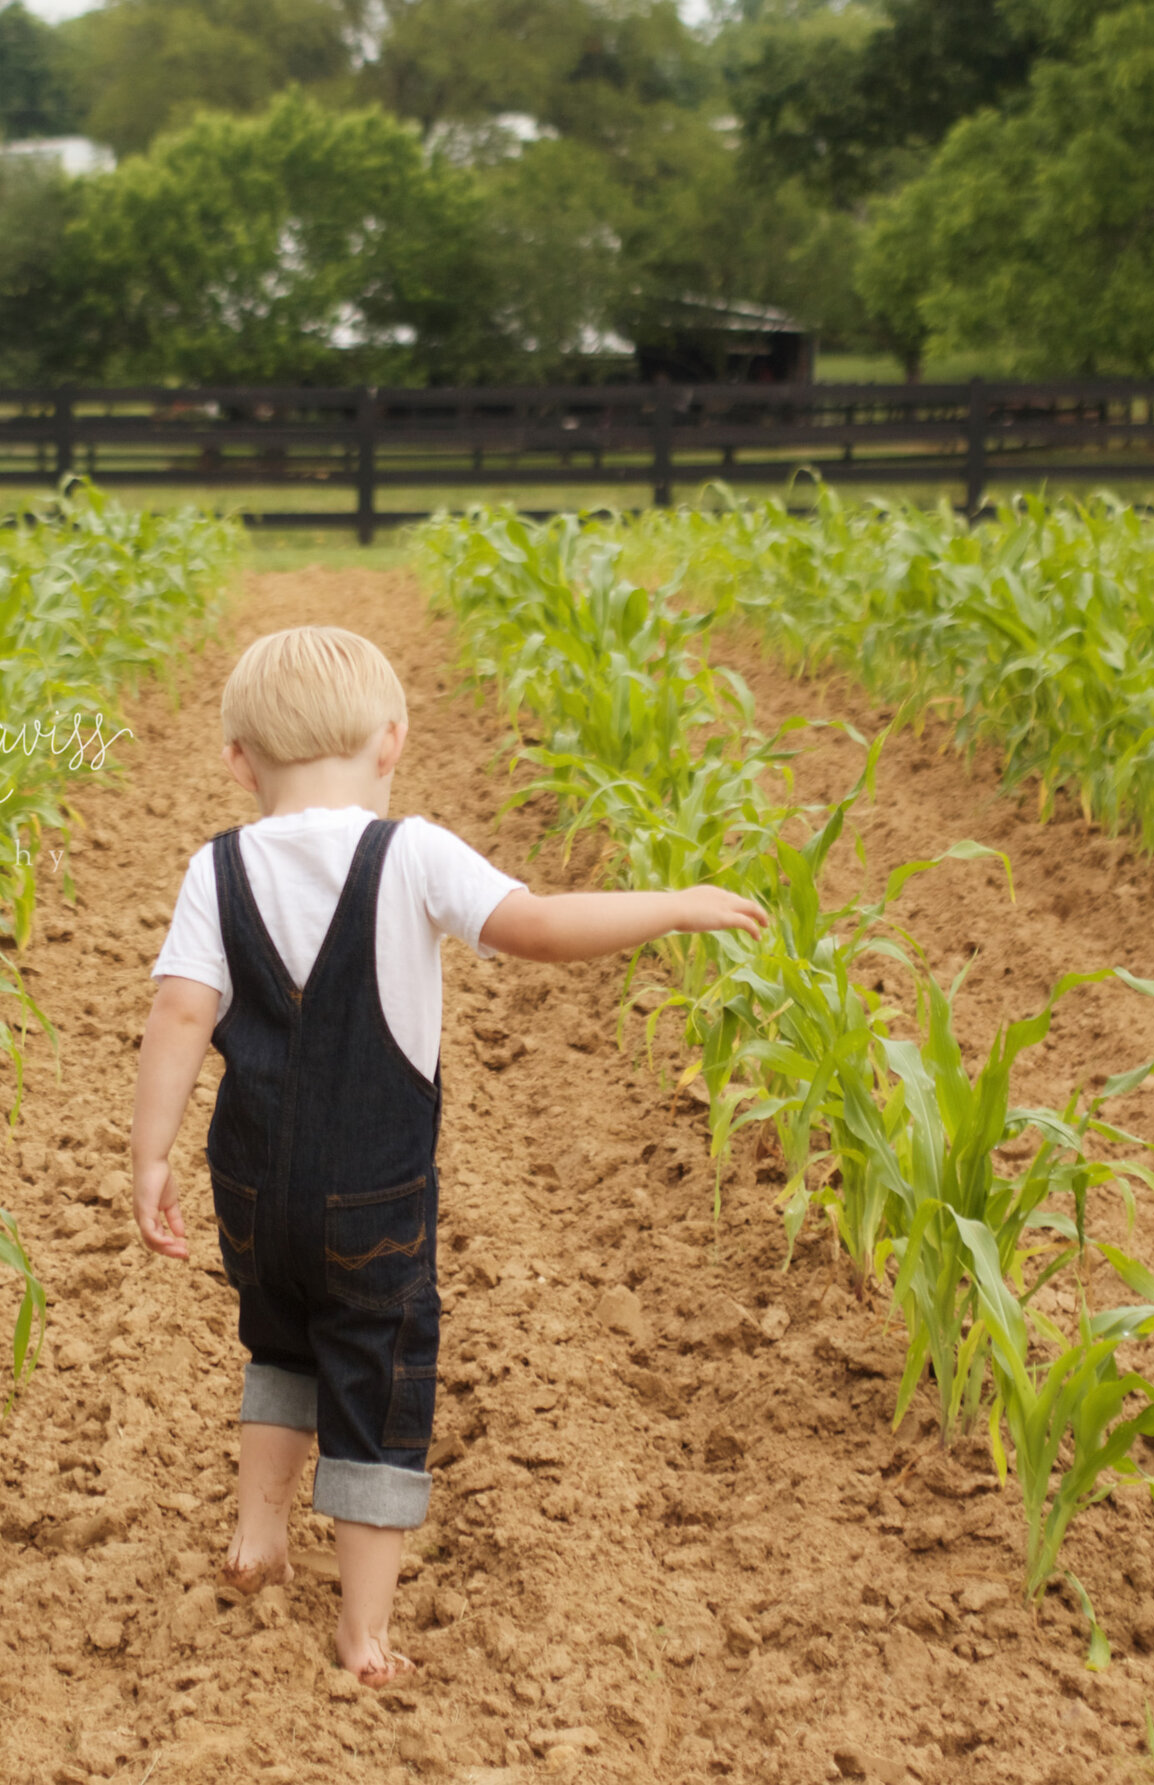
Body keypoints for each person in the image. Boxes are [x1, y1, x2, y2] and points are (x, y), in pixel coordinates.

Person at [128, 625, 766, 1685]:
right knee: (376, 1374)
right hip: (370, 1191)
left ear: (237, 759)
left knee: (279, 1338)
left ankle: (259, 1535)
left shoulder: (217, 864)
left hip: (246, 1189)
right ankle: (363, 1631)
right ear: (393, 742)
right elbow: (536, 929)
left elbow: (180, 1011)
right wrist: (676, 908)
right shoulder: (409, 852)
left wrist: (149, 1157)